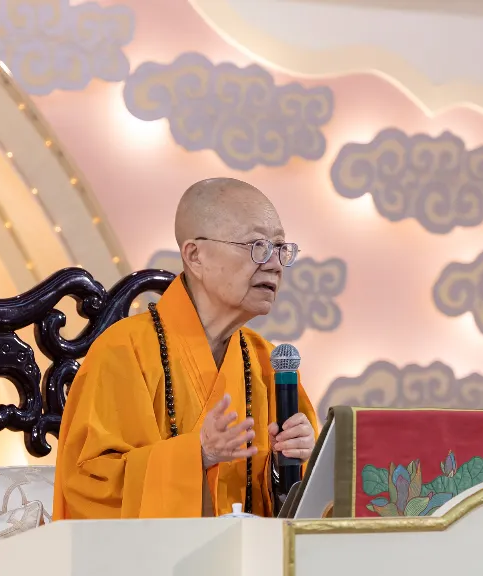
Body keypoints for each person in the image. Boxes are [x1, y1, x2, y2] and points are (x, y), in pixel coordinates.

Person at [53, 178, 319, 519]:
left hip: (253, 562)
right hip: (154, 566)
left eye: (281, 248)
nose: (274, 264)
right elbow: (87, 486)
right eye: (258, 246)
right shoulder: (123, 351)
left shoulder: (268, 364)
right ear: (195, 256)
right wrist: (198, 455)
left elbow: (309, 508)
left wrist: (293, 463)